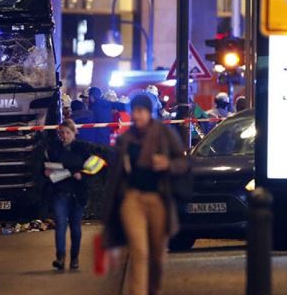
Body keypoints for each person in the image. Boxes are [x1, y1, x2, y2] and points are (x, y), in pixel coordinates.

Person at [102, 94, 189, 295]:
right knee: (140, 252)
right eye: (135, 110)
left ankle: (154, 290)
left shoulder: (165, 134)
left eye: (141, 110)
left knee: (157, 257)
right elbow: (115, 176)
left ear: (150, 112)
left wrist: (168, 164)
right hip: (132, 199)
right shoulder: (125, 139)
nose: (137, 115)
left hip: (159, 199)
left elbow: (183, 162)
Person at [44, 119, 109, 270]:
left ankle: (74, 258)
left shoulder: (83, 149)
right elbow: (45, 167)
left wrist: (82, 175)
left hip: (78, 193)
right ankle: (60, 257)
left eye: (68, 132)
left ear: (74, 133)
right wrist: (45, 172)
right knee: (60, 225)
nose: (64, 136)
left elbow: (95, 166)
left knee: (75, 227)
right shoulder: (54, 150)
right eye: (62, 133)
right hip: (60, 192)